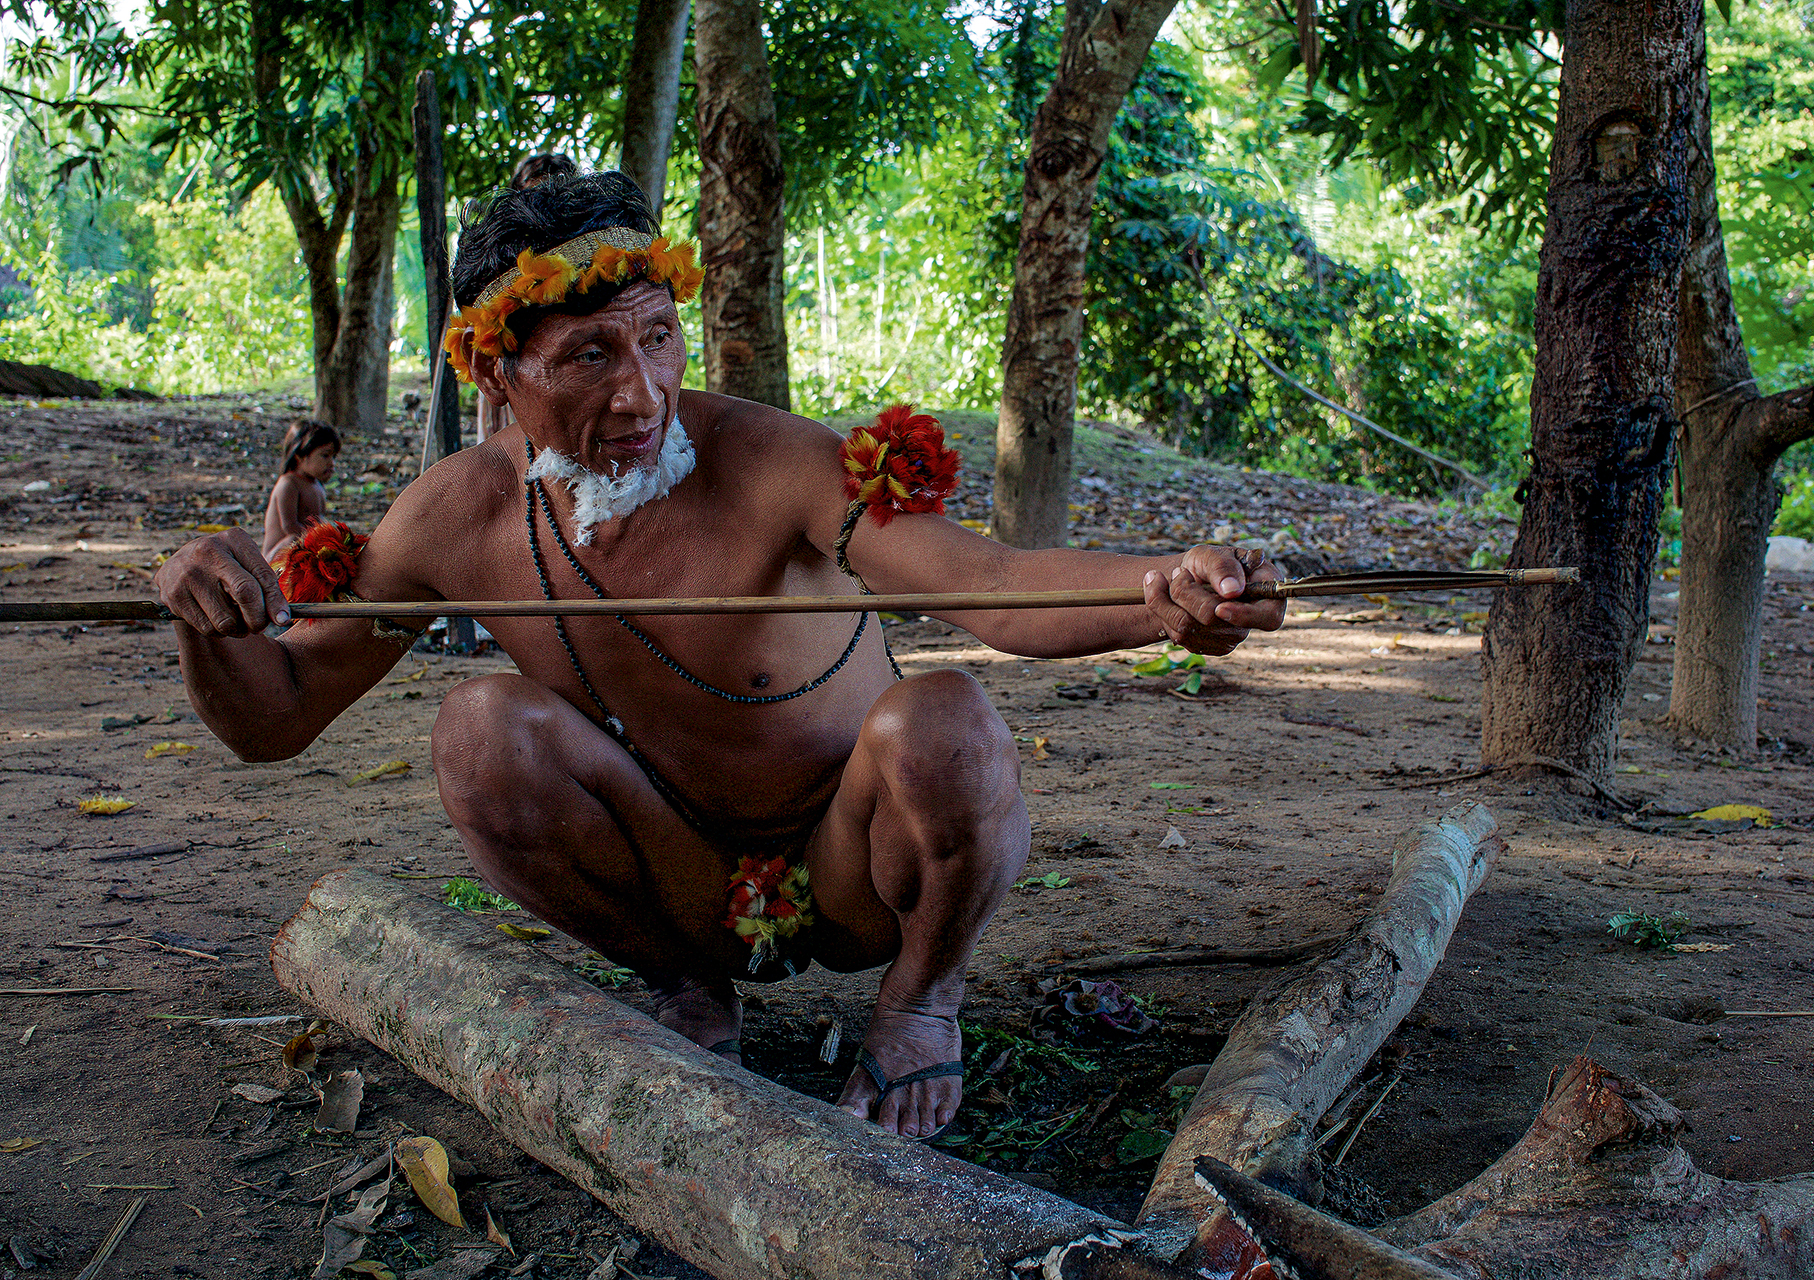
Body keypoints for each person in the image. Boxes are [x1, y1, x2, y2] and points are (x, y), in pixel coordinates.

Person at [152, 171, 1285, 1141]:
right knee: (478, 729)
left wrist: (1162, 593)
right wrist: (210, 621)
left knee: (945, 723)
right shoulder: (452, 516)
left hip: (858, 870)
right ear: (496, 374)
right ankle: (689, 989)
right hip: (679, 878)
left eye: (656, 336)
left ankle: (922, 1003)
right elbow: (275, 713)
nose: (641, 390)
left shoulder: (776, 461)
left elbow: (990, 589)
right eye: (588, 355)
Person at [478, 153, 581, 443]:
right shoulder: (504, 243)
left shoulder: (583, 236)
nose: (543, 200)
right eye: (535, 192)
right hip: (516, 356)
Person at [262, 422, 341, 561]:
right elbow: (290, 527)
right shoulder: (288, 484)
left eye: (333, 457)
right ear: (300, 455)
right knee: (294, 539)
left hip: (306, 547)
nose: (332, 463)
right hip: (276, 558)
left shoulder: (316, 484)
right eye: (325, 455)